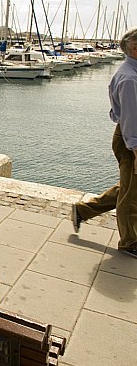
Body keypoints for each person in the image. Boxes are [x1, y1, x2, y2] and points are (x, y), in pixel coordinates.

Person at [72, 28, 137, 259]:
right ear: (135, 48)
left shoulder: (132, 73)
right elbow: (130, 120)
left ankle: (82, 210)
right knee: (131, 195)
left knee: (129, 186)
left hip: (129, 138)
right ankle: (130, 242)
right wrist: (135, 149)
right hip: (131, 141)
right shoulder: (129, 79)